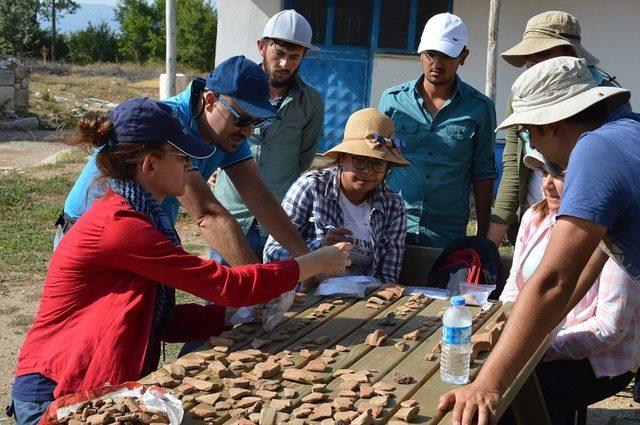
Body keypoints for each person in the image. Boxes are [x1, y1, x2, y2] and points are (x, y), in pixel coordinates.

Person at [8, 98, 351, 425]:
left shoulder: (141, 215)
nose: (190, 166)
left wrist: (228, 315)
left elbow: (157, 322)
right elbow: (225, 284)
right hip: (53, 388)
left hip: (83, 379)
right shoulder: (120, 226)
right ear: (150, 165)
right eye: (182, 156)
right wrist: (312, 263)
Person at [437, 57, 636, 424]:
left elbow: (553, 282)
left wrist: (490, 383)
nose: (536, 149)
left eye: (531, 132)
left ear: (554, 125)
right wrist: (530, 339)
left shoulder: (595, 150)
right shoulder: (627, 132)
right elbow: (588, 265)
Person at [58, 55, 310, 266]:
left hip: (137, 238)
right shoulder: (169, 127)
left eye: (257, 122)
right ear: (210, 100)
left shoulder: (229, 132)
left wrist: (307, 260)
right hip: (89, 237)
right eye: (244, 120)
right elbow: (208, 215)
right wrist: (263, 285)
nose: (248, 132)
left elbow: (260, 197)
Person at [498, 150, 639, 423]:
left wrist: (536, 347)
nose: (547, 184)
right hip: (539, 343)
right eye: (543, 172)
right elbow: (515, 287)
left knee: (511, 398)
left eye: (560, 174)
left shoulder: (619, 232)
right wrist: (505, 328)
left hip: (599, 361)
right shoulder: (535, 217)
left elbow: (610, 328)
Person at [488, 11, 621, 247]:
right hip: (537, 214)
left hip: (589, 223)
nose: (530, 65)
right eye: (528, 58)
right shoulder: (523, 94)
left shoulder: (606, 96)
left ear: (570, 54)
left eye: (540, 56)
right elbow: (513, 167)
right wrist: (490, 242)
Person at [378, 12, 497, 249]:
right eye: (431, 54)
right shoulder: (392, 100)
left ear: (463, 56)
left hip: (447, 233)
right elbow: (377, 160)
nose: (437, 63)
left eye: (446, 55)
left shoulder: (480, 108)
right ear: (420, 52)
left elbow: (483, 172)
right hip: (392, 225)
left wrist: (482, 237)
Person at [213, 9, 324, 262]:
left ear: (304, 56)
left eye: (294, 56)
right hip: (231, 214)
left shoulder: (311, 101)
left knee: (273, 296)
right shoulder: (232, 88)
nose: (285, 64)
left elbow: (304, 157)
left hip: (276, 221)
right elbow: (212, 135)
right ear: (262, 47)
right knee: (224, 294)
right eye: (279, 53)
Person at [264, 108, 409, 284]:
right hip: (308, 294)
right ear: (341, 158)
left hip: (364, 302)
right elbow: (272, 254)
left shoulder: (393, 206)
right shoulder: (311, 187)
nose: (368, 171)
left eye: (378, 164)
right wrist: (319, 249)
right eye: (360, 160)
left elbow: (388, 276)